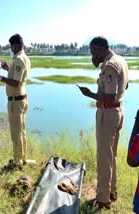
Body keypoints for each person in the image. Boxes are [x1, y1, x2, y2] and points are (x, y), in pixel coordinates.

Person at [77, 36, 128, 209]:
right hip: (118, 111)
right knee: (111, 155)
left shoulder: (110, 66)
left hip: (108, 113)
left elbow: (110, 96)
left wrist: (90, 94)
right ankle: (112, 191)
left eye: (93, 53)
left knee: (104, 157)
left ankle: (103, 200)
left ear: (99, 49)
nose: (92, 57)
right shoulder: (120, 60)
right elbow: (124, 87)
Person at [0, 34, 31, 170]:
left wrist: (1, 78)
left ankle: (17, 162)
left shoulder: (19, 60)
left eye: (11, 46)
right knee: (21, 131)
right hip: (21, 99)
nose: (11, 49)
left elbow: (15, 82)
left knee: (16, 133)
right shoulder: (23, 59)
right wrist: (7, 68)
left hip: (16, 101)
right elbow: (16, 76)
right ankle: (23, 158)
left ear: (16, 46)